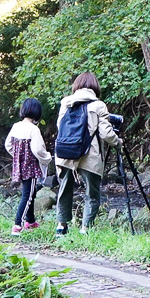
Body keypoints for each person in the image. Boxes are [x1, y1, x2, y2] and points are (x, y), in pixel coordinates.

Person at [52, 72, 121, 235]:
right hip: (90, 155)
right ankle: (85, 228)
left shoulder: (65, 103)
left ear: (76, 85)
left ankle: (61, 226)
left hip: (65, 153)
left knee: (64, 189)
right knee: (92, 193)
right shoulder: (98, 105)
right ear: (95, 87)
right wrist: (118, 142)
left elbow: (59, 126)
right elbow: (106, 133)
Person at [4, 97, 49, 232]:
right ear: (37, 113)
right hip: (31, 167)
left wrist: (17, 156)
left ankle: (30, 221)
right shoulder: (33, 130)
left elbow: (8, 145)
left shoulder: (16, 126)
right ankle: (18, 224)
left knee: (30, 193)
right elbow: (38, 149)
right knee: (28, 195)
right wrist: (47, 158)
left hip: (19, 166)